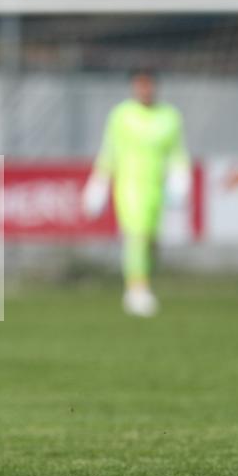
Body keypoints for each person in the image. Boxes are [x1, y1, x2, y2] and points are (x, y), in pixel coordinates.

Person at [82, 68, 191, 317]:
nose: (144, 89)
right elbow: (109, 151)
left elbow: (177, 153)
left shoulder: (169, 117)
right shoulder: (121, 116)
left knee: (151, 242)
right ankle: (136, 289)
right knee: (137, 236)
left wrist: (179, 180)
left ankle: (143, 283)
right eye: (140, 85)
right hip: (129, 185)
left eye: (148, 85)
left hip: (156, 187)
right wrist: (98, 183)